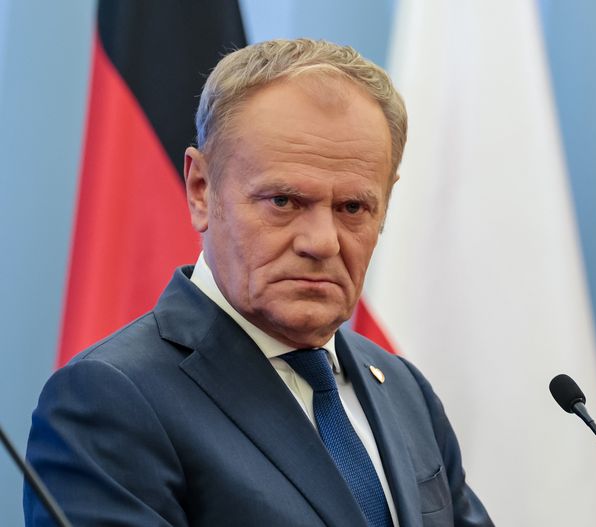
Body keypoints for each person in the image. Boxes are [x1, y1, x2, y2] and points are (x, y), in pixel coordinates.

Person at [24, 38, 492, 527]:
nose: (322, 242)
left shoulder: (403, 388)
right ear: (201, 190)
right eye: (283, 202)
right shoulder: (110, 398)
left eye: (353, 207)